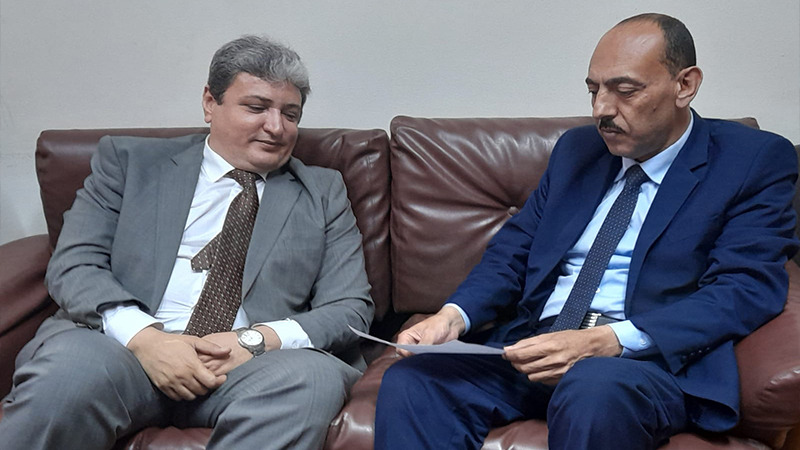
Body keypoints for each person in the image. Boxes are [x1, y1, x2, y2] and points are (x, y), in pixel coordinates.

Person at [374, 13, 798, 450]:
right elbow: (514, 251)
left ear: (684, 85)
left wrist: (606, 341)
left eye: (625, 90)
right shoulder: (578, 151)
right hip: (537, 345)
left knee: (593, 387)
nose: (601, 110)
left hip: (641, 364)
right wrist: (453, 316)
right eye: (594, 90)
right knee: (415, 379)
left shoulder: (750, 160)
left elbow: (745, 287)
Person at [0, 35, 374, 450]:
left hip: (250, 364)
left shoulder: (322, 191)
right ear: (210, 103)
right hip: (122, 350)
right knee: (67, 373)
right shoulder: (130, 164)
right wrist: (146, 339)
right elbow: (75, 264)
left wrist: (253, 341)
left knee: (310, 380)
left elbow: (349, 306)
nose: (276, 127)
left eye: (290, 114)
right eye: (256, 107)